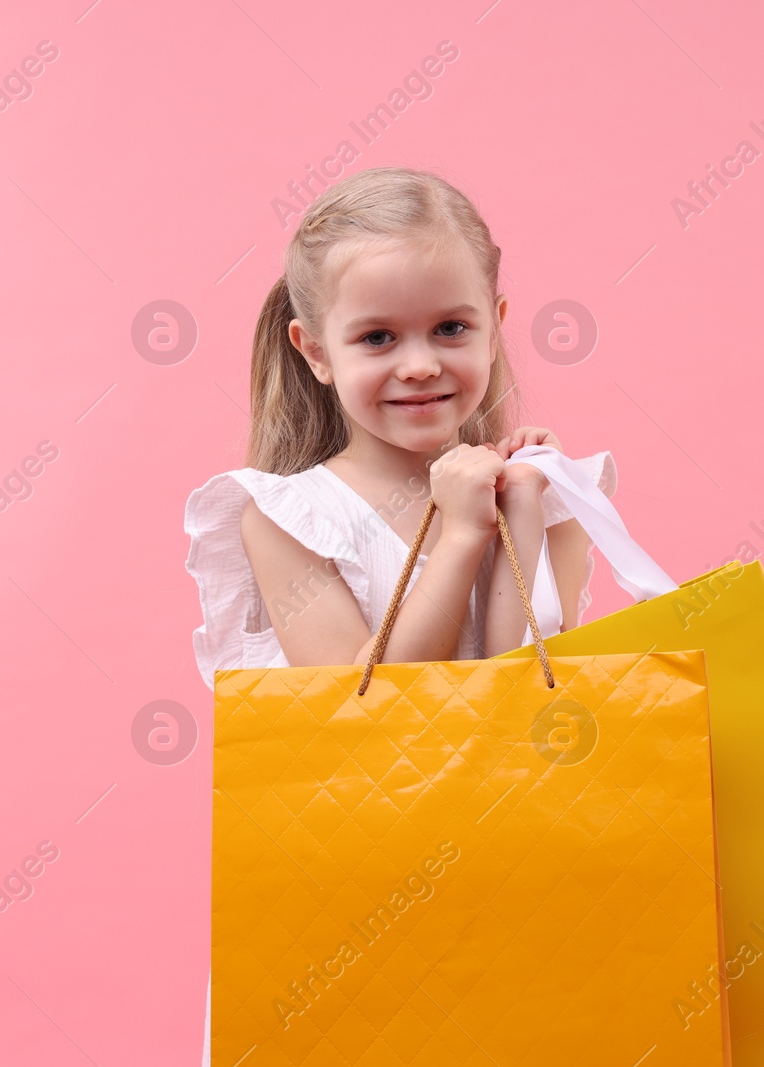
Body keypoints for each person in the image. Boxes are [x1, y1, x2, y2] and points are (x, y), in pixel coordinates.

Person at [181, 165, 618, 1064]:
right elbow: (375, 714)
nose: (419, 363)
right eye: (377, 336)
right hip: (354, 903)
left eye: (450, 328)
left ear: (495, 324)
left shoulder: (546, 493)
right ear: (314, 350)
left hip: (509, 877)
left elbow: (511, 688)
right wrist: (459, 533)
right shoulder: (279, 514)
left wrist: (520, 516)